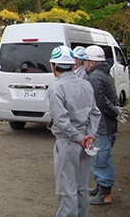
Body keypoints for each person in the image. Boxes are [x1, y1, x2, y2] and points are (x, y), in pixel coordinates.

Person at [47, 46, 101, 216]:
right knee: (82, 187)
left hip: (68, 142)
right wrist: (89, 136)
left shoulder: (56, 88)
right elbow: (95, 112)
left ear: (53, 65)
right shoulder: (86, 84)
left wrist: (79, 138)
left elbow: (61, 121)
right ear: (73, 64)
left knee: (67, 189)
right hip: (87, 143)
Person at [84, 45, 121, 205]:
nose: (83, 63)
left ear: (92, 62)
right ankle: (100, 187)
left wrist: (113, 111)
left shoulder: (95, 77)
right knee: (102, 157)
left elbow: (99, 102)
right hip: (108, 124)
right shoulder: (105, 74)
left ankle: (105, 194)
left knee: (101, 159)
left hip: (102, 125)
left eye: (85, 60)